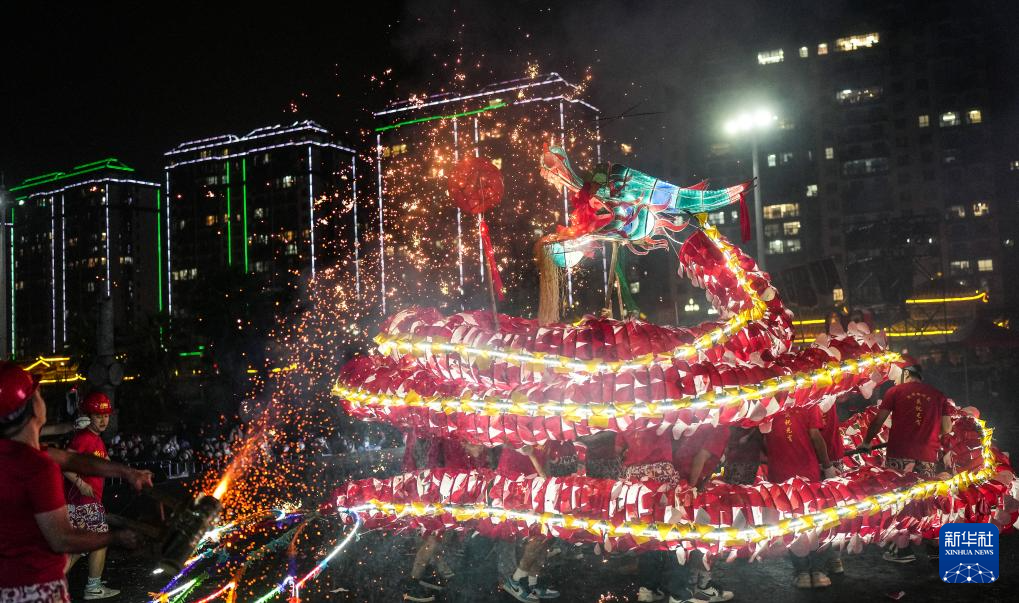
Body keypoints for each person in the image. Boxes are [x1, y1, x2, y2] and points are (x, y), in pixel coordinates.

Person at [0, 362, 149, 603]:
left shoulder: (16, 453)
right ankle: (93, 586)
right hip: (36, 590)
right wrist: (115, 538)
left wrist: (127, 472)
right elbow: (61, 539)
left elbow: (71, 459)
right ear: (31, 410)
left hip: (7, 586)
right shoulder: (38, 468)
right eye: (38, 395)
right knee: (85, 543)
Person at [859, 355, 952, 563]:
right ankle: (934, 547)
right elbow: (947, 428)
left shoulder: (895, 392)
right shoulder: (938, 395)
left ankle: (902, 549)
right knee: (925, 499)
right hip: (927, 456)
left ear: (906, 373)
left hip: (899, 454)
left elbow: (879, 420)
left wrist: (866, 442)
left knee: (900, 500)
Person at [763, 406, 838, 589]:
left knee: (792, 524)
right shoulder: (809, 404)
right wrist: (827, 466)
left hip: (780, 475)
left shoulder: (768, 404)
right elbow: (815, 436)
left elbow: (762, 440)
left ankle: (802, 572)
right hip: (807, 473)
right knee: (815, 522)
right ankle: (818, 572)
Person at [62, 392, 118, 599]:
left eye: (106, 416)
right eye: (98, 416)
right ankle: (92, 587)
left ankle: (48, 584)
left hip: (87, 502)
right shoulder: (84, 438)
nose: (103, 420)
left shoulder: (95, 439)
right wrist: (81, 483)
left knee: (81, 547)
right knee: (98, 540)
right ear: (89, 417)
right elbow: (65, 464)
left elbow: (101, 462)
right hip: (84, 503)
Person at [672, 425, 734, 602]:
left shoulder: (701, 422)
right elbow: (701, 457)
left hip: (678, 481)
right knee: (702, 534)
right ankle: (701, 587)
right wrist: (692, 489)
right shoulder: (721, 428)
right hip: (687, 484)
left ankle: (693, 583)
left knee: (688, 536)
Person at [498, 444, 560, 602]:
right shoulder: (521, 434)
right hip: (518, 490)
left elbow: (544, 463)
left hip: (537, 487)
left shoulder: (547, 437)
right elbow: (515, 454)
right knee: (538, 536)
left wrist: (547, 483)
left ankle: (532, 584)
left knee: (544, 536)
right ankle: (515, 581)